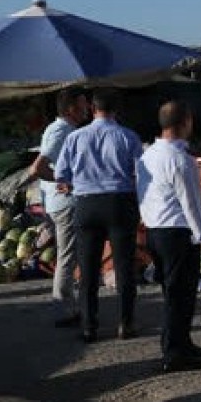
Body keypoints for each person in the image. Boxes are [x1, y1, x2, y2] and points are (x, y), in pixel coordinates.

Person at [137, 100, 201, 373]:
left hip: (155, 231)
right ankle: (174, 353)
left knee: (174, 294)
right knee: (180, 296)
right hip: (177, 234)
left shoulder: (147, 156)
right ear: (185, 122)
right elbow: (192, 204)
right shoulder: (180, 160)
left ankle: (182, 343)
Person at [54, 88, 143, 343]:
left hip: (86, 205)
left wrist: (72, 184)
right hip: (119, 202)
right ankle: (126, 323)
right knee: (124, 266)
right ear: (116, 110)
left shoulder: (75, 137)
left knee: (88, 268)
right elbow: (140, 174)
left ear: (93, 109)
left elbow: (61, 175)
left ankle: (89, 327)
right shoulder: (128, 137)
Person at [28, 88, 92, 328]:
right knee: (66, 256)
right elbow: (37, 168)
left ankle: (69, 304)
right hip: (64, 205)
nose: (87, 109)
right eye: (84, 104)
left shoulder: (64, 130)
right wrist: (63, 179)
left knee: (66, 254)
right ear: (71, 108)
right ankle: (64, 307)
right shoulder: (60, 131)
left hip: (59, 203)